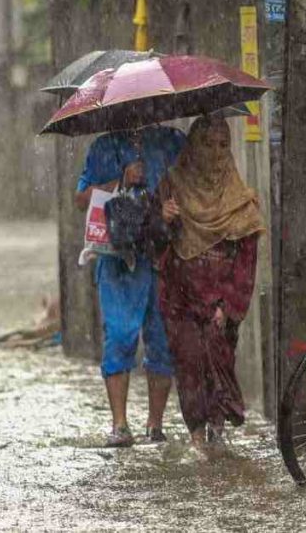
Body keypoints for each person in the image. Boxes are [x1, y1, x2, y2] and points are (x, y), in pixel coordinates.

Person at [157, 115, 265, 450]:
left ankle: (217, 434)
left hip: (220, 301)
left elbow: (247, 260)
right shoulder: (171, 186)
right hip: (181, 297)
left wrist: (228, 306)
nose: (215, 153)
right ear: (192, 147)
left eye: (222, 145)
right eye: (206, 144)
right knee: (189, 365)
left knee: (218, 367)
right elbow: (155, 244)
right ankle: (196, 439)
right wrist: (164, 218)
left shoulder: (240, 200)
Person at [75, 125, 186, 447]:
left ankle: (155, 425)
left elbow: (190, 184)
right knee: (121, 335)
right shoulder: (103, 146)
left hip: (161, 256)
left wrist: (168, 205)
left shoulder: (171, 141)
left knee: (162, 339)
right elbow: (81, 198)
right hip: (118, 260)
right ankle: (120, 425)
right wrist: (120, 182)